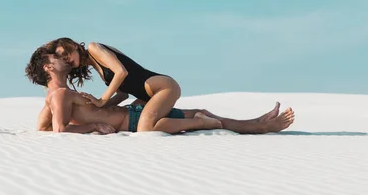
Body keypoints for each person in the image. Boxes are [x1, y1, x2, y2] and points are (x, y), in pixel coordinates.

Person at [25, 44, 295, 135]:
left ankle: (257, 126)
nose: (64, 58)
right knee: (199, 114)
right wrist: (93, 126)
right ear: (48, 67)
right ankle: (258, 125)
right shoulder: (57, 96)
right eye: (55, 56)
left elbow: (49, 126)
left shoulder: (62, 92)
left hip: (137, 108)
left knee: (192, 117)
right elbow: (52, 130)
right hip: (131, 115)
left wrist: (102, 103)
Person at [39, 37, 184, 133]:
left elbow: (121, 72)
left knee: (145, 128)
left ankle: (201, 122)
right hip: (146, 96)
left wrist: (102, 100)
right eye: (63, 59)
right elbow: (123, 94)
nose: (67, 60)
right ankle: (197, 114)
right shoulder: (99, 69)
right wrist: (97, 106)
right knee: (137, 120)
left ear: (72, 46)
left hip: (163, 87)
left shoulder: (94, 48)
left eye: (66, 54)